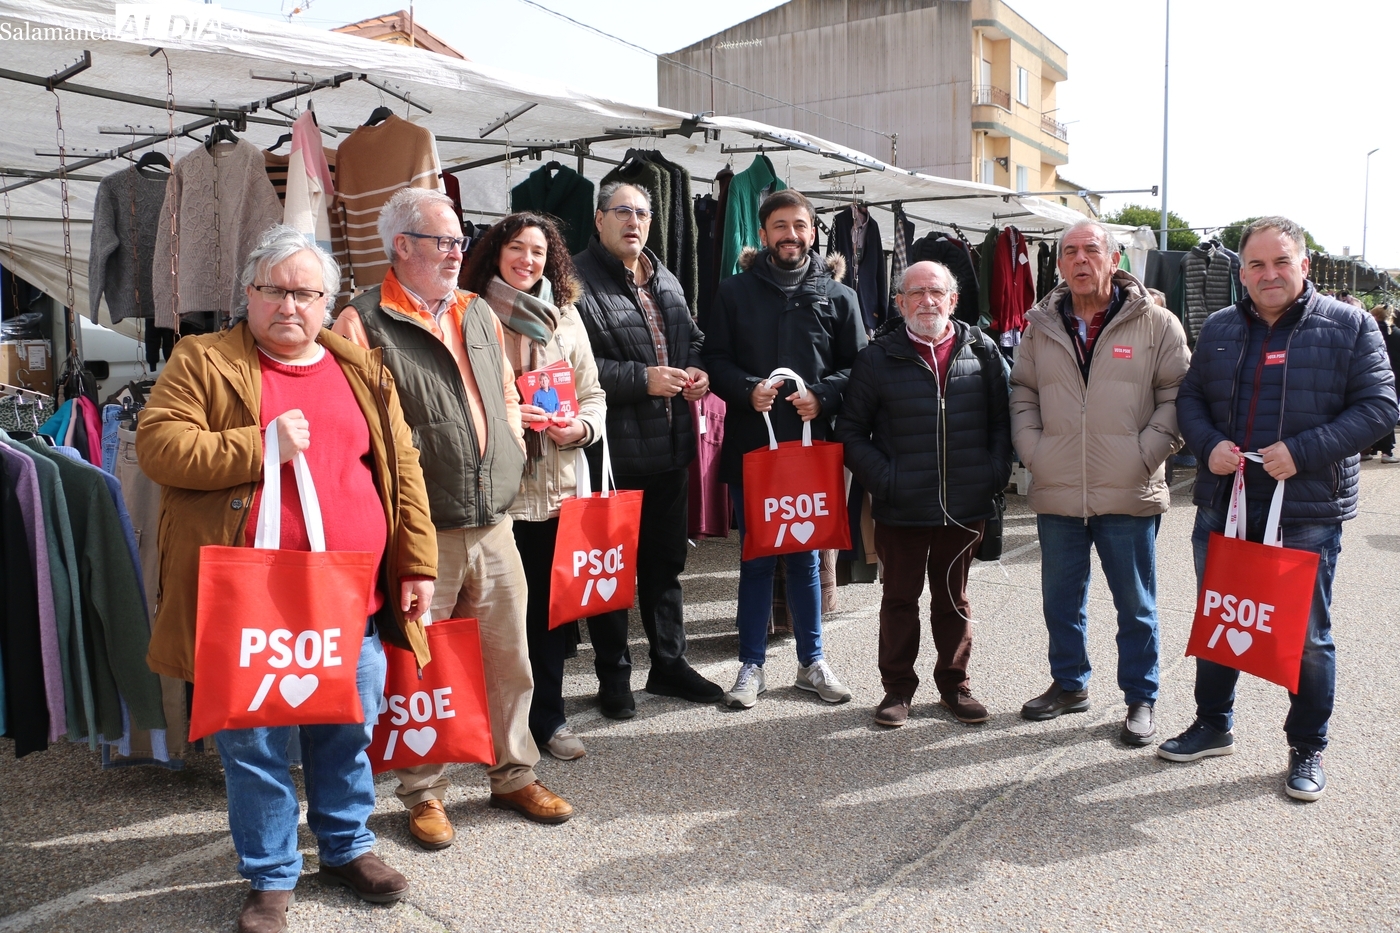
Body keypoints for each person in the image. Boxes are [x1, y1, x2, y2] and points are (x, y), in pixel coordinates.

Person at [137, 226, 435, 933]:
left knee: (347, 730)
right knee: (258, 745)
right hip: (255, 602)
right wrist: (260, 442)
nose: (290, 305)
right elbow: (159, 446)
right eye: (275, 290)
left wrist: (417, 563)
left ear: (328, 302)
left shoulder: (361, 367)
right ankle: (271, 876)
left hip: (350, 594)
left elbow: (402, 471)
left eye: (307, 292)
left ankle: (347, 845)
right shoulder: (201, 359)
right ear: (248, 293)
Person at [334, 187, 573, 849]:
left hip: (493, 518)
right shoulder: (361, 321)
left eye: (459, 239)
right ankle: (425, 792)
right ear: (401, 246)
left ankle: (513, 772)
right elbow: (359, 431)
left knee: (508, 656)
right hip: (422, 526)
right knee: (422, 665)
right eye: (443, 241)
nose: (456, 251)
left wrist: (512, 447)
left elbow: (499, 390)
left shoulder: (476, 310)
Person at [1160, 216, 1397, 800]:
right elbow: (1190, 399)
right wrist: (1207, 443)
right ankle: (1214, 723)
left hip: (1307, 509)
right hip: (1226, 503)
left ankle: (1307, 746)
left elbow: (1381, 407)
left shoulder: (1350, 325)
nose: (1269, 274)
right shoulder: (1217, 327)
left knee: (1307, 636)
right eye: (1257, 264)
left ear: (1304, 264)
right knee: (1223, 619)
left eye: (1281, 261)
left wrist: (1303, 451)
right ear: (1241, 272)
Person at [1010, 218, 1189, 746]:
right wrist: (1034, 451)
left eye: (1091, 250)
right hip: (1059, 484)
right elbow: (1023, 391)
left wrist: (1145, 454)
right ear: (1060, 263)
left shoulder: (1157, 322)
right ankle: (1069, 684)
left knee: (1135, 604)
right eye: (1070, 252)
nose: (1080, 260)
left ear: (1114, 259)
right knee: (1060, 599)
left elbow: (1177, 397)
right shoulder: (1039, 324)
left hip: (1128, 486)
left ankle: (1141, 697)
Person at [701, 189, 866, 709]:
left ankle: (811, 661)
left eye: (799, 225)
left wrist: (825, 395)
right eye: (779, 226)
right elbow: (716, 360)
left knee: (806, 556)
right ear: (763, 233)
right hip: (754, 447)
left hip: (813, 447)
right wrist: (747, 388)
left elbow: (858, 367)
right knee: (755, 554)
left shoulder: (840, 297)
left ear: (813, 231)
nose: (790, 235)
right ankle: (751, 665)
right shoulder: (733, 292)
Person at [836, 260, 1012, 727]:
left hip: (965, 505)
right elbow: (851, 432)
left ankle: (955, 685)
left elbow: (1002, 424)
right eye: (915, 293)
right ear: (899, 302)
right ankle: (897, 689)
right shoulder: (878, 356)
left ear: (953, 300)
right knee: (899, 599)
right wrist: (886, 480)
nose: (926, 301)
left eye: (936, 292)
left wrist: (991, 475)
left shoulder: (984, 351)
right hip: (902, 506)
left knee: (953, 599)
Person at [571, 181, 723, 717]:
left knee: (665, 565)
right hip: (611, 454)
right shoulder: (575, 282)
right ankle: (613, 676)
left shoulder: (666, 278)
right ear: (598, 220)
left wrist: (700, 371)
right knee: (610, 570)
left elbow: (693, 341)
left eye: (642, 213)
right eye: (622, 212)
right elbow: (569, 368)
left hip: (671, 447)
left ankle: (669, 665)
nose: (633, 222)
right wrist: (641, 379)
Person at [461, 211, 606, 760]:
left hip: (555, 491)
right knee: (492, 616)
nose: (527, 260)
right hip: (496, 494)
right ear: (496, 253)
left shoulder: (567, 316)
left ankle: (549, 719)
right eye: (517, 248)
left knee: (548, 617)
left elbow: (592, 393)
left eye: (539, 251)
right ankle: (490, 726)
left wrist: (581, 428)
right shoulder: (471, 314)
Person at [1364, 303, 1399, 463]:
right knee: (1387, 411)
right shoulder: (1396, 334)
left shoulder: (1367, 331)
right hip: (1393, 378)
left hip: (1368, 377)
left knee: (1366, 412)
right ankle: (1386, 451)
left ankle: (1366, 448)